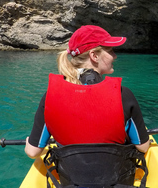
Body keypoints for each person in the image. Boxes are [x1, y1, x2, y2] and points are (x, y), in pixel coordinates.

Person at [25, 25, 150, 186]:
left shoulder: (50, 96)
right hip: (116, 183)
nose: (115, 56)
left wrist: (30, 141)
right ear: (94, 56)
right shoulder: (123, 94)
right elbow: (143, 146)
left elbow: (32, 151)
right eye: (110, 51)